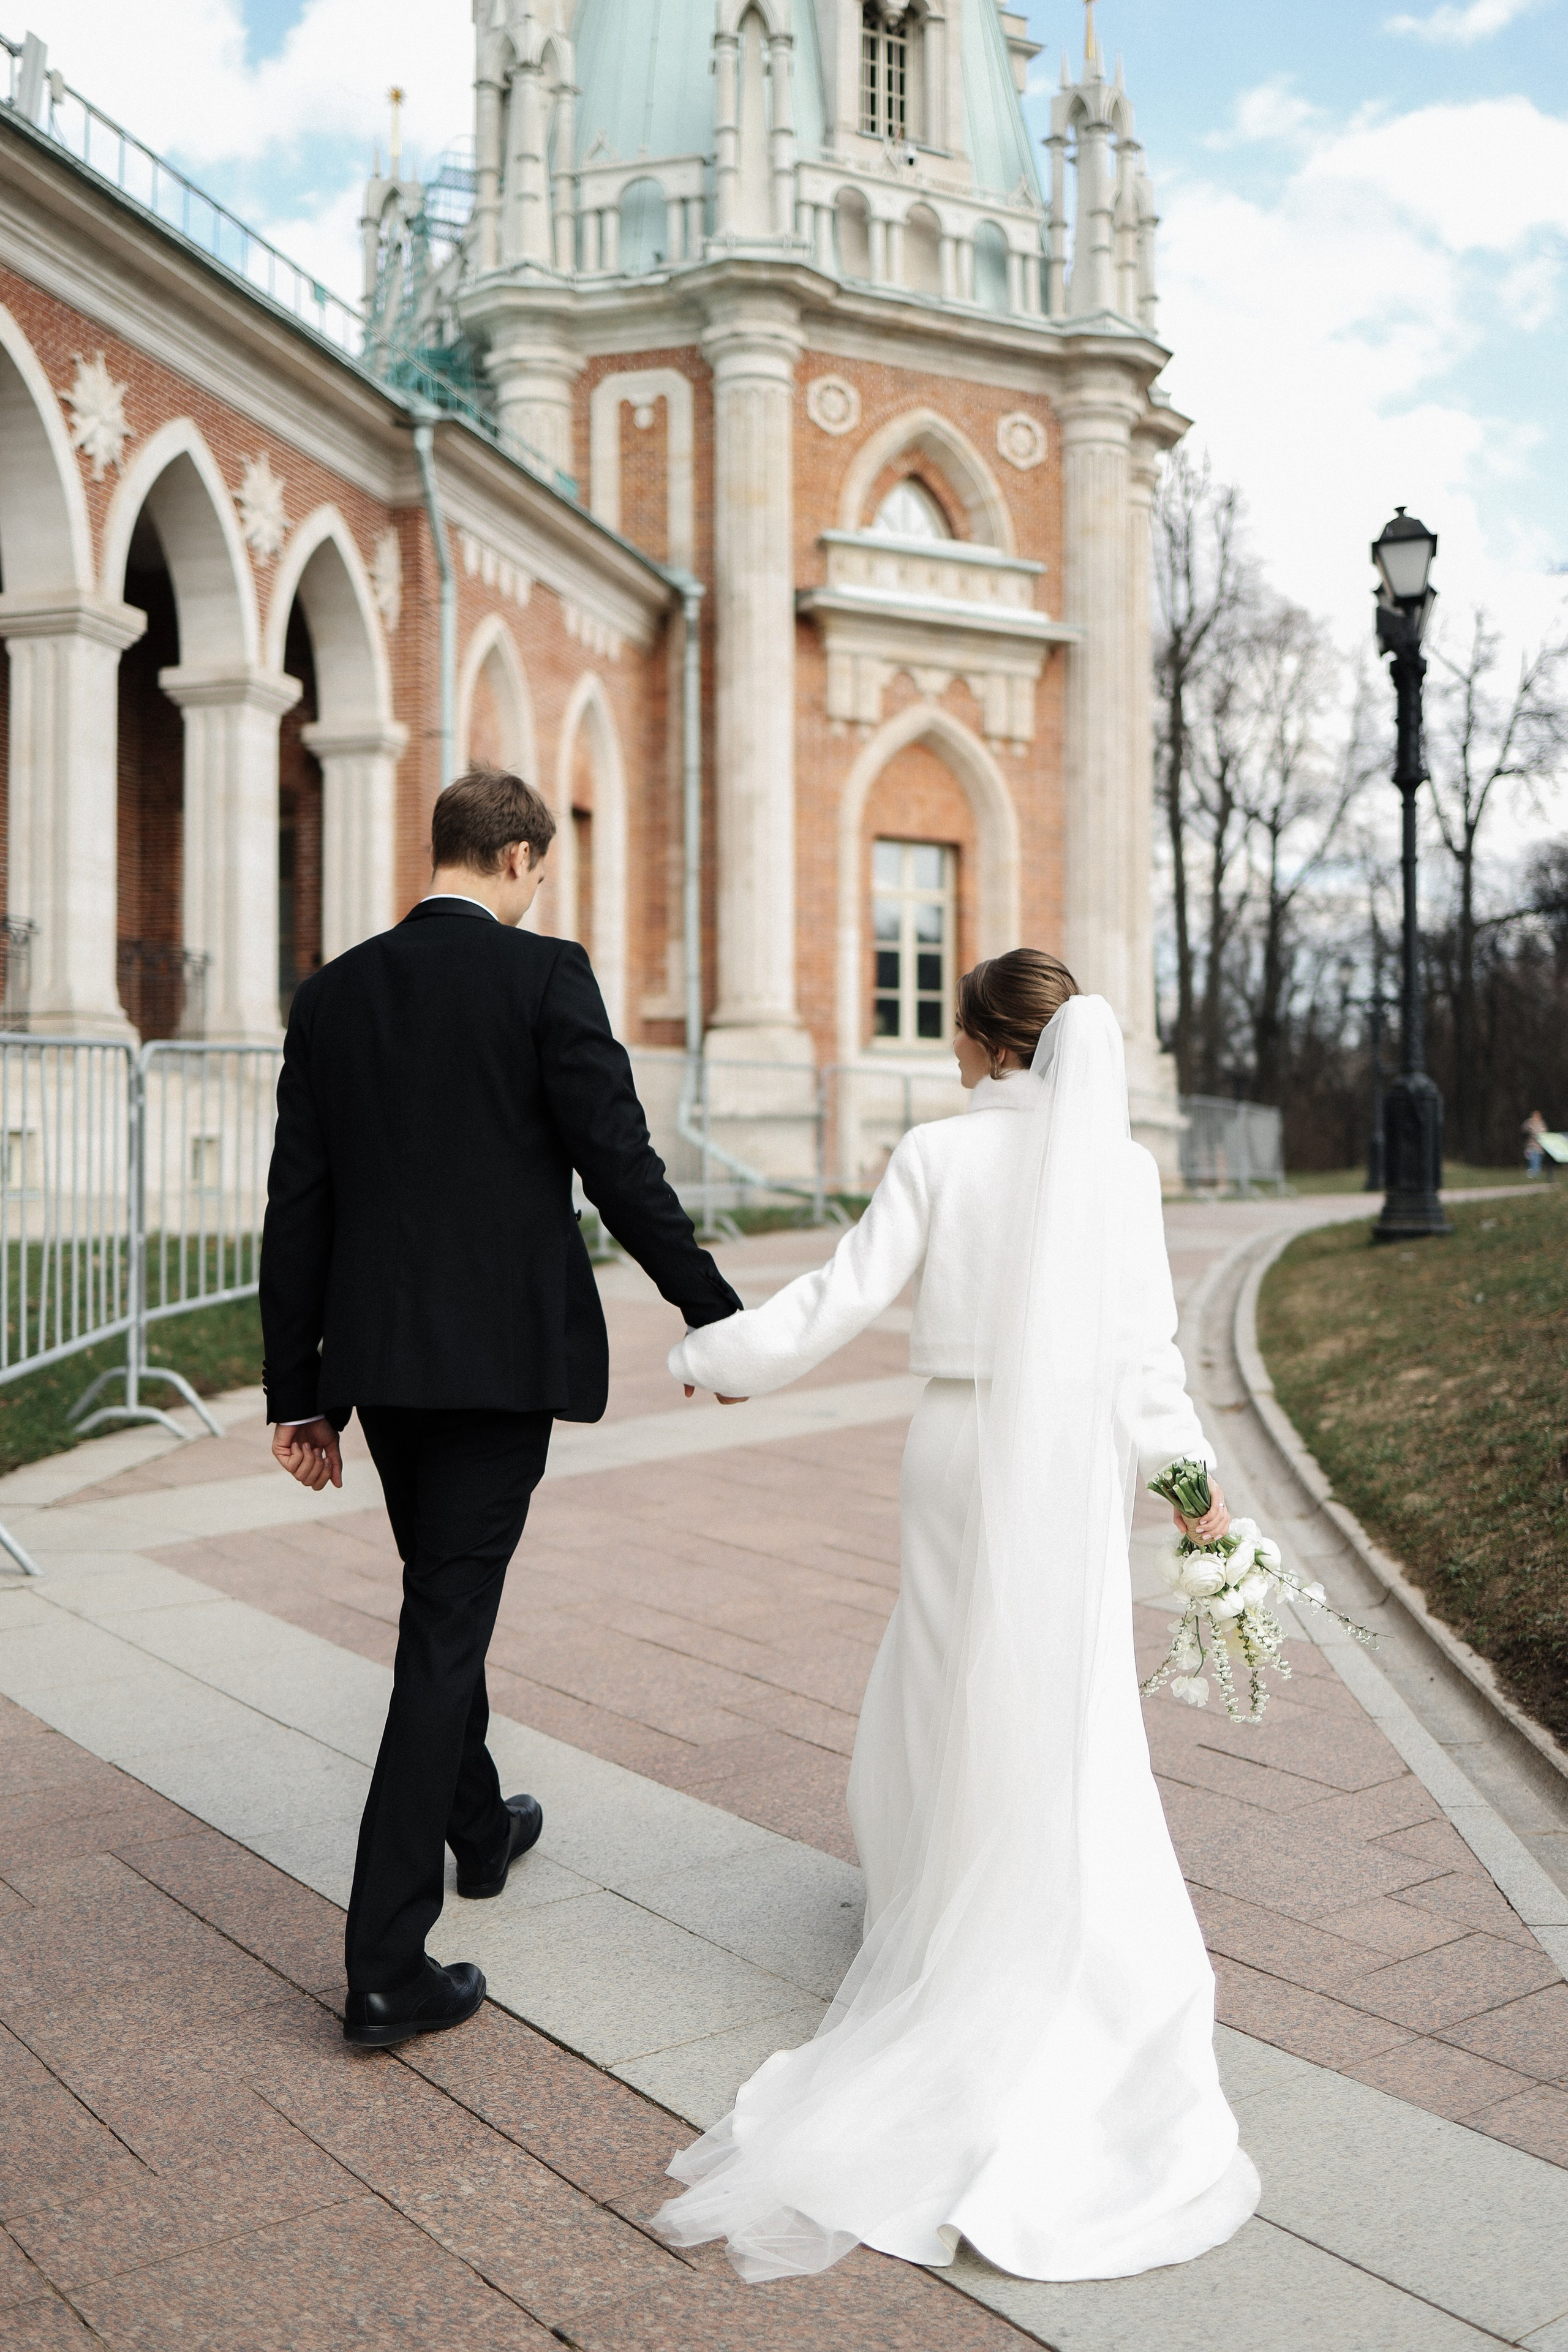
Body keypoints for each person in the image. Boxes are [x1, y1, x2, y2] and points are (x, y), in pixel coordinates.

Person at [657, 951, 1260, 2284]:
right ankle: (1037, 1899)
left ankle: (930, 1909)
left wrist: (716, 1356)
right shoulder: (1122, 1171)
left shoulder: (937, 1155)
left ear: (984, 1046)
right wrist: (1193, 1498)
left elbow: (834, 1299)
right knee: (1059, 1685)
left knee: (936, 1673)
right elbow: (1146, 1361)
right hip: (1068, 1468)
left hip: (951, 1455)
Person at [261, 767, 741, 2051]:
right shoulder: (543, 976)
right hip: (494, 1367)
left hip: (379, 1369)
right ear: (519, 856)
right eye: (541, 869)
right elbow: (618, 1163)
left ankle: (481, 1828)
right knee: (443, 1626)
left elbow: (295, 1205)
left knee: (440, 1597)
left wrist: (299, 1395)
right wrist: (714, 1312)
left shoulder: (334, 993)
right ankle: (383, 1964)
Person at [1524, 1110, 1547, 1180]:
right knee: (1532, 1159)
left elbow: (1544, 1132)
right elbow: (1525, 1129)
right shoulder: (1530, 1122)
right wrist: (1530, 1123)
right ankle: (1532, 1172)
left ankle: (1537, 1173)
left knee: (1537, 1160)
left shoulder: (1541, 1123)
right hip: (1531, 1146)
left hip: (1539, 1146)